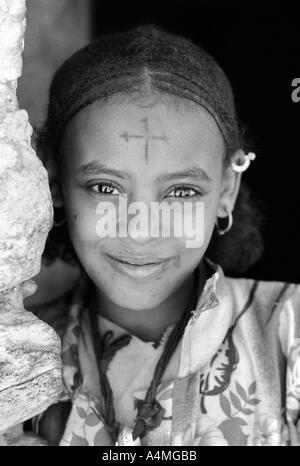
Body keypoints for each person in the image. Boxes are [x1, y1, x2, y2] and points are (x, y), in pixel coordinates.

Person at [27, 24, 300, 446]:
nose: (142, 229)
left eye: (181, 191)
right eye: (105, 187)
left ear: (226, 190)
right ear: (57, 181)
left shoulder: (290, 334)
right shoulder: (17, 355)